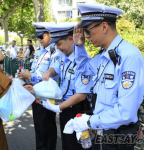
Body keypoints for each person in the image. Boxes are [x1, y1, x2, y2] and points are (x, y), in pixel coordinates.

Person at [68, 3, 144, 150]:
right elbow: (84, 69)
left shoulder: (128, 56)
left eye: (88, 31)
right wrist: (79, 46)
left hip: (118, 136)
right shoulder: (105, 55)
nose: (86, 36)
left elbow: (126, 113)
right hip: (103, 132)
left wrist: (90, 122)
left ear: (104, 27)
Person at [41, 22, 95, 150]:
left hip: (78, 111)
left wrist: (57, 107)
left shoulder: (82, 61)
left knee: (76, 146)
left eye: (59, 44)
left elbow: (81, 95)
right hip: (66, 108)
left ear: (71, 40)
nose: (58, 48)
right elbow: (57, 69)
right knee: (66, 144)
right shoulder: (65, 57)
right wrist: (49, 71)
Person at [18, 22, 63, 150]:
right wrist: (27, 77)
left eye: (42, 36)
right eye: (38, 37)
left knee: (47, 128)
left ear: (50, 35)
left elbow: (52, 74)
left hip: (47, 95)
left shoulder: (55, 51)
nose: (39, 39)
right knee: (39, 127)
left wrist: (31, 75)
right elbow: (34, 70)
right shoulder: (39, 51)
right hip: (36, 92)